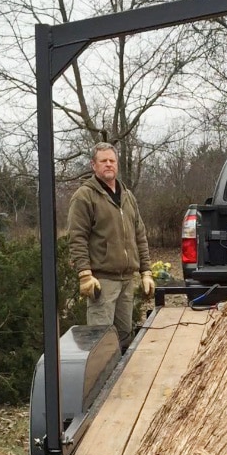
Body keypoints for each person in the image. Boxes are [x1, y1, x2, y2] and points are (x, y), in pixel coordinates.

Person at [67, 142, 155, 350]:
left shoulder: (128, 196)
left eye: (112, 161)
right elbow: (77, 237)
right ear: (93, 165)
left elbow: (139, 236)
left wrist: (146, 271)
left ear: (117, 164)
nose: (108, 164)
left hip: (126, 281)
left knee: (124, 339)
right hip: (102, 281)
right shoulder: (84, 196)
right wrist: (85, 274)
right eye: (103, 161)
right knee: (101, 343)